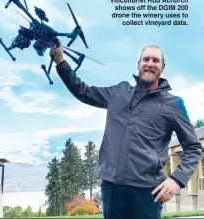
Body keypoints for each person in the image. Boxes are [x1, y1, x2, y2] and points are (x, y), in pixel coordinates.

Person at [51, 44, 202, 219]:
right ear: (139, 64)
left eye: (155, 60)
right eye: (146, 59)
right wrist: (61, 62)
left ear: (163, 67)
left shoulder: (173, 104)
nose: (150, 64)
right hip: (112, 189)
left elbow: (193, 147)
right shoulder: (119, 92)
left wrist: (176, 180)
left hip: (147, 192)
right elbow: (83, 91)